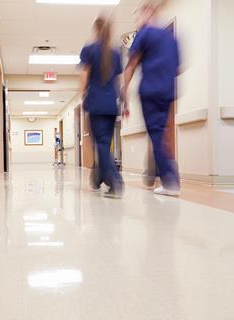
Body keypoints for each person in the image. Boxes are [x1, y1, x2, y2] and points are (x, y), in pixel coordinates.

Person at [123, 1, 181, 196]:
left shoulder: (144, 33)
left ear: (148, 13)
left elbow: (131, 66)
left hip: (150, 91)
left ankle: (170, 181)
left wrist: (124, 93)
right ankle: (164, 173)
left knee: (156, 135)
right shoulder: (171, 38)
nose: (136, 21)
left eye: (137, 16)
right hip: (168, 91)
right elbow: (178, 67)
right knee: (162, 134)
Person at [80, 15, 126, 198]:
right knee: (105, 145)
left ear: (96, 29)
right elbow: (119, 81)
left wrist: (82, 94)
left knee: (101, 144)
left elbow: (84, 75)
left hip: (96, 103)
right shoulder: (115, 53)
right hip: (111, 104)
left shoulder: (89, 50)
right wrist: (125, 101)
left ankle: (116, 182)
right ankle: (99, 178)